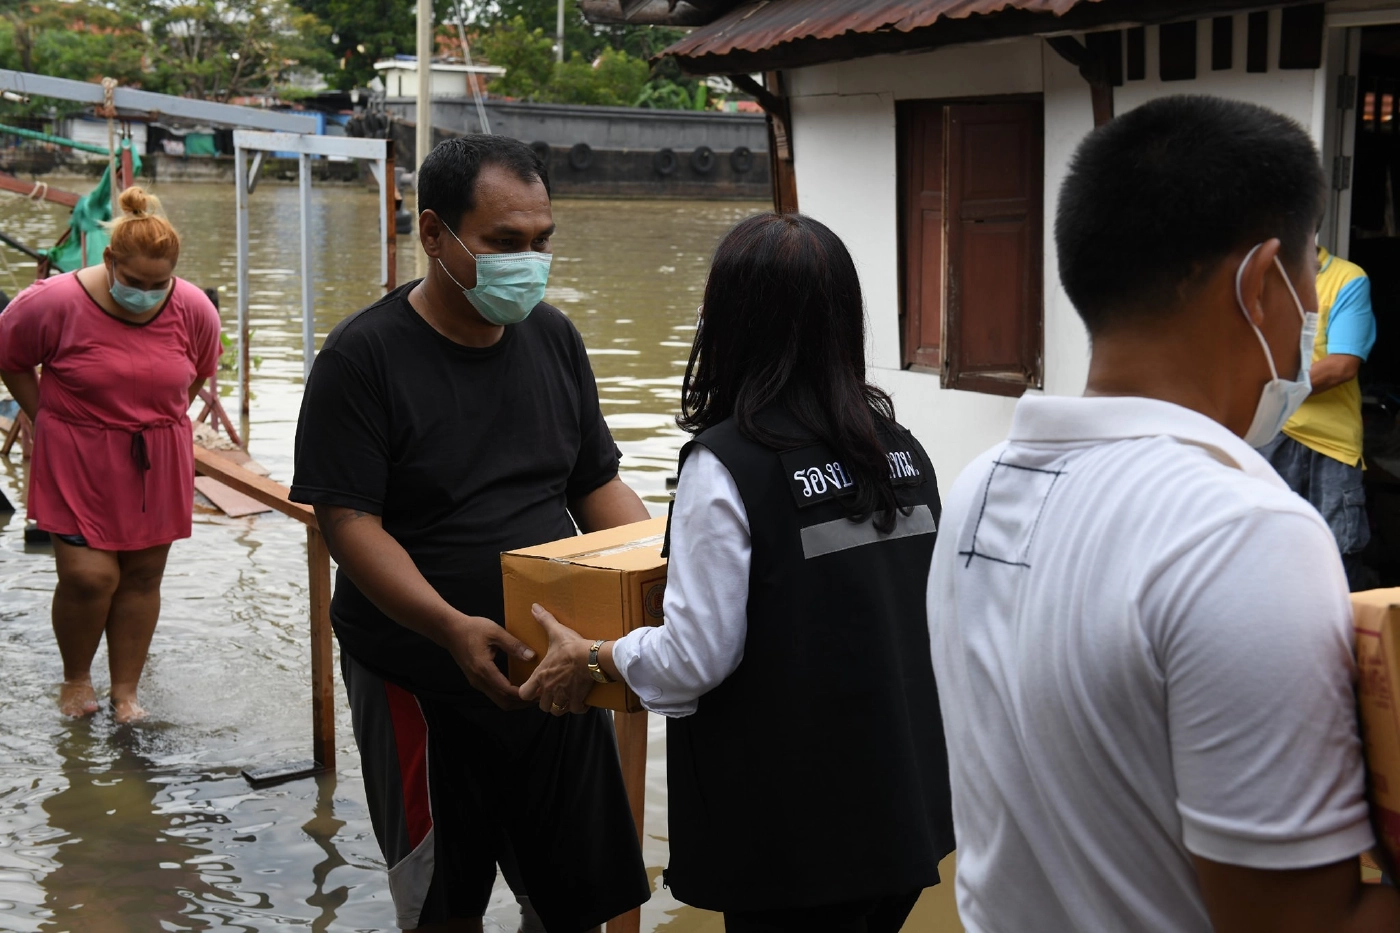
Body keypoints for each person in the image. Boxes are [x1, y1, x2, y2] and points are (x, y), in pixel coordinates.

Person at [926, 94, 1400, 933]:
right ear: (1259, 285)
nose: (1308, 320)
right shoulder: (1245, 531)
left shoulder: (978, 489)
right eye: (1305, 284)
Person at [521, 212, 956, 932]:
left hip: (793, 838)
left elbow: (695, 655)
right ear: (844, 321)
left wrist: (595, 655)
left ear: (727, 323)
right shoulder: (902, 454)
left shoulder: (729, 463)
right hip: (903, 814)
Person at [289, 135, 650, 933]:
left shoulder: (553, 339)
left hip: (558, 671)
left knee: (577, 901)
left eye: (541, 241)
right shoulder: (363, 358)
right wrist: (449, 625)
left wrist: (663, 573)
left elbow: (594, 483)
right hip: (421, 677)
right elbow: (348, 521)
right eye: (503, 242)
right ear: (432, 233)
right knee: (442, 905)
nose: (529, 260)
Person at [0, 186, 220, 724]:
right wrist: (43, 414)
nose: (147, 292)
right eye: (135, 281)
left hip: (155, 459)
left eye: (158, 283)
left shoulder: (193, 308)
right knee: (89, 578)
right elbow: (9, 356)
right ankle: (76, 677)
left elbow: (195, 377)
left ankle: (125, 692)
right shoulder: (51, 301)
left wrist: (156, 420)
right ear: (109, 261)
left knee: (143, 577)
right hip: (76, 453)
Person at [1258, 245, 1377, 588]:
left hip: (1330, 445)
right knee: (1263, 553)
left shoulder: (1346, 278)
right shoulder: (1245, 276)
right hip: (1263, 434)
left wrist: (1266, 386)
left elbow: (1342, 365)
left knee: (1335, 560)